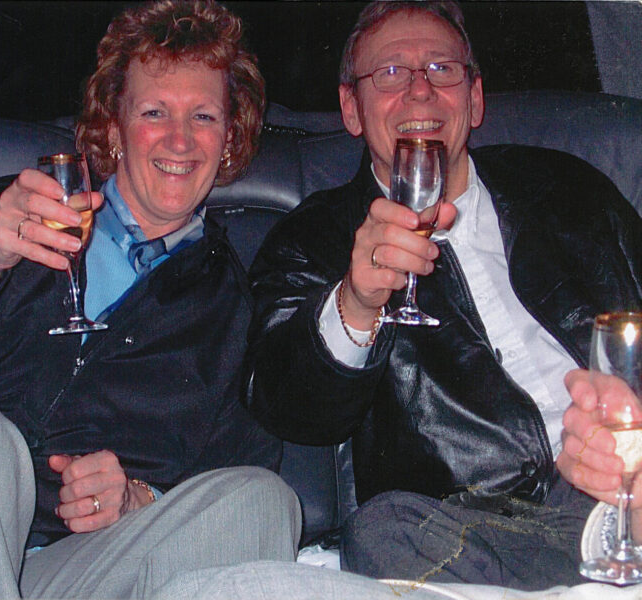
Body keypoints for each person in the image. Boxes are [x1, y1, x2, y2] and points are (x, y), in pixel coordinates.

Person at [0, 1, 301, 598]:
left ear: (229, 136)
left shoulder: (228, 307)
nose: (180, 139)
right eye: (154, 111)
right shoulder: (13, 221)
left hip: (57, 568)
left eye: (204, 116)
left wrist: (138, 498)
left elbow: (240, 457)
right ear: (113, 128)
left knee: (263, 501)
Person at [243, 0, 642, 591]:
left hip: (622, 484)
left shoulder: (566, 187)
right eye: (390, 73)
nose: (420, 91)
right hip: (478, 529)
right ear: (351, 108)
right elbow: (288, 404)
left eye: (442, 69)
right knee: (380, 533)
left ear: (474, 99)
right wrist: (357, 302)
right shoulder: (312, 237)